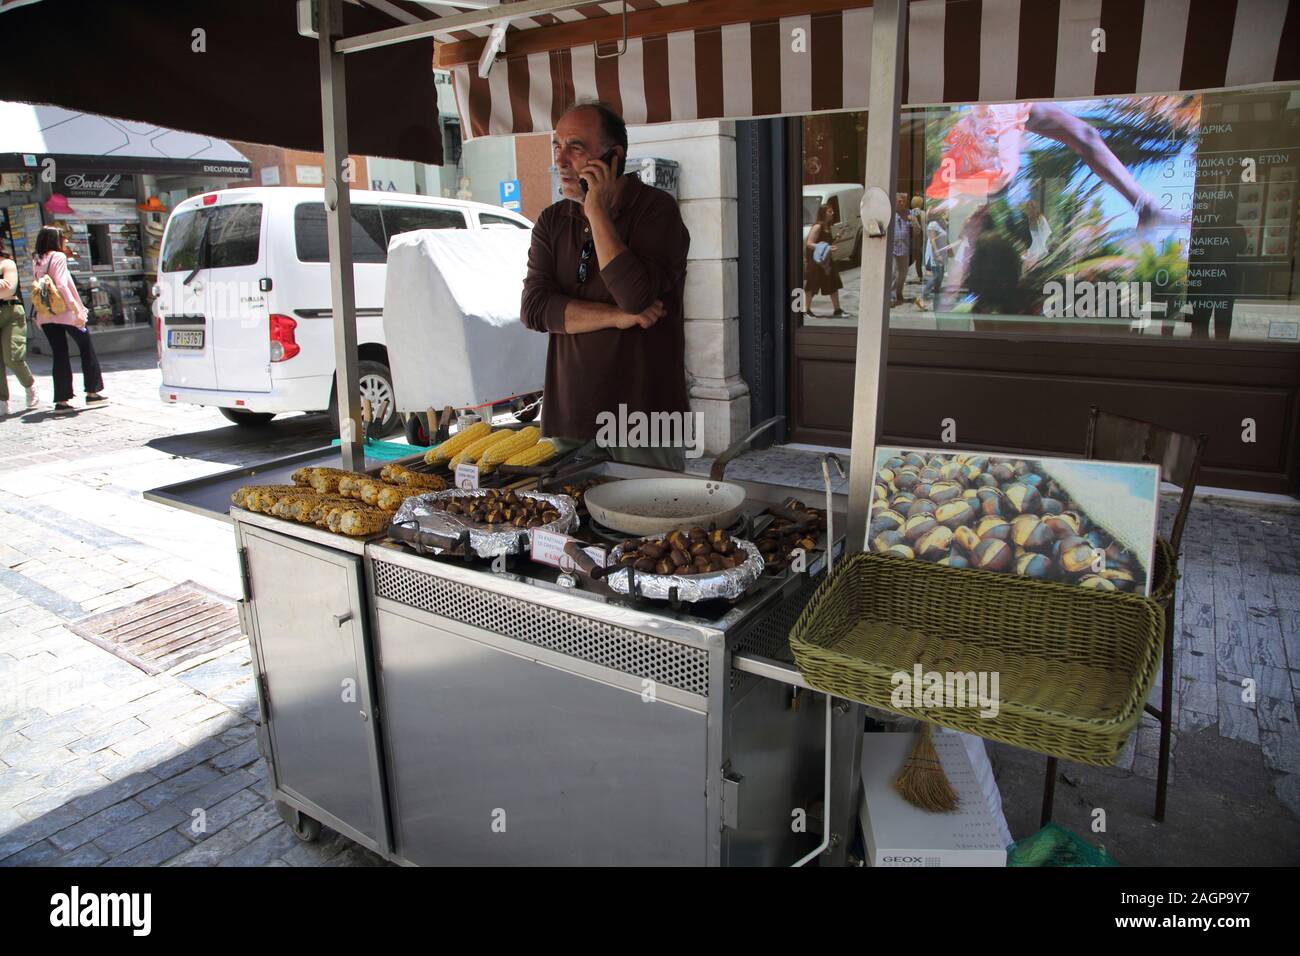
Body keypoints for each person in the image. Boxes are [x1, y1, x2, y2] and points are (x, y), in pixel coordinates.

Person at [521, 101, 690, 470]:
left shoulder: (657, 211)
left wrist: (595, 211)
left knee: (654, 522)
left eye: (576, 147)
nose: (561, 160)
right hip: (570, 415)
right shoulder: (552, 220)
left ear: (614, 157)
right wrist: (615, 317)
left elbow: (636, 296)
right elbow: (534, 309)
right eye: (557, 146)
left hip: (645, 418)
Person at [31, 225, 106, 414]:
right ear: (55, 240)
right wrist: (76, 309)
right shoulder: (58, 257)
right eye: (62, 237)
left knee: (60, 354)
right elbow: (62, 286)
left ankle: (61, 401)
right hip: (66, 312)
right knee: (86, 347)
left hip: (47, 314)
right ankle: (92, 392)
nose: (65, 241)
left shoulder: (37, 259)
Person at [1, 241, 38, 416]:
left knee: (12, 356)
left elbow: (8, 289)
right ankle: (2, 400)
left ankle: (30, 385)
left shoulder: (6, 263)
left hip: (11, 312)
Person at [803, 203, 844, 318]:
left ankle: (837, 309)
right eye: (829, 212)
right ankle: (806, 310)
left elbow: (826, 244)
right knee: (812, 285)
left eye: (832, 211)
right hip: (816, 262)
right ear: (823, 213)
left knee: (833, 283)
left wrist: (836, 239)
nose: (833, 213)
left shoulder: (828, 227)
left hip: (826, 262)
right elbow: (810, 243)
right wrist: (827, 248)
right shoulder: (818, 227)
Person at [916, 210, 949, 312]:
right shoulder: (933, 224)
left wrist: (950, 250)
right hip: (935, 256)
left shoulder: (943, 224)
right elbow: (932, 240)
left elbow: (945, 240)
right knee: (936, 276)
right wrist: (937, 254)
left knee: (940, 279)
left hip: (942, 256)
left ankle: (937, 303)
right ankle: (921, 297)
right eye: (946, 211)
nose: (947, 212)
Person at [891, 193, 911, 306]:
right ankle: (892, 297)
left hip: (904, 248)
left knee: (903, 274)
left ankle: (899, 292)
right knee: (894, 273)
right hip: (893, 249)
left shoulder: (909, 213)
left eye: (904, 201)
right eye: (900, 201)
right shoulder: (890, 214)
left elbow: (917, 231)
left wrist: (914, 220)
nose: (902, 203)